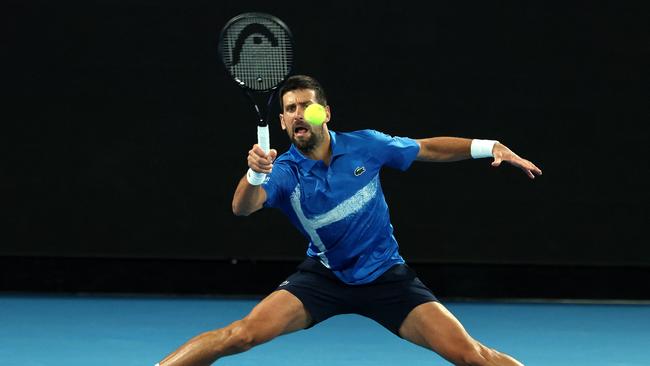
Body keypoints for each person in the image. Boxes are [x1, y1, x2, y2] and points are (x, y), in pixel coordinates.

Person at [157, 75, 542, 366]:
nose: (297, 114)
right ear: (282, 121)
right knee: (239, 336)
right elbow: (243, 208)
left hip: (386, 275)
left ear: (324, 113)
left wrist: (489, 146)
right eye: (289, 109)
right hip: (324, 278)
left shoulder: (367, 146)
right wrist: (255, 174)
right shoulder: (284, 172)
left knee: (471, 355)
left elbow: (428, 149)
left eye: (305, 106)